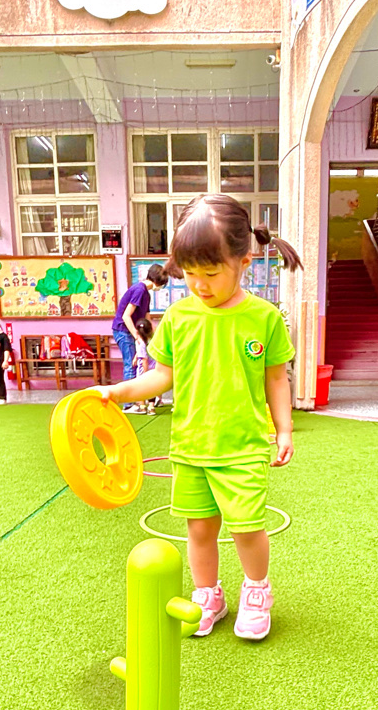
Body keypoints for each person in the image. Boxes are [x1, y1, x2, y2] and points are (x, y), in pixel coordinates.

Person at [97, 194, 302, 642]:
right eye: (190, 274)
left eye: (210, 274)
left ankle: (257, 591)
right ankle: (209, 595)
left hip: (243, 447)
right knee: (200, 528)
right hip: (190, 448)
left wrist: (284, 429)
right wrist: (116, 391)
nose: (199, 285)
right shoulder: (178, 317)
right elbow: (161, 376)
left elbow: (276, 379)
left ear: (244, 262)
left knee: (247, 527)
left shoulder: (264, 318)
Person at [111, 264, 168, 409]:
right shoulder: (139, 290)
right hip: (123, 330)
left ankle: (140, 401)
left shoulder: (146, 294)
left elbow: (147, 318)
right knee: (131, 364)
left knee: (135, 363)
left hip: (132, 331)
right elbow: (126, 316)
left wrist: (155, 336)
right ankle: (129, 404)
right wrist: (137, 336)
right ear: (158, 281)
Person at [129, 318, 156, 416]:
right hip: (154, 369)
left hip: (144, 370)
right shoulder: (151, 341)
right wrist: (136, 357)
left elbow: (144, 360)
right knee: (152, 388)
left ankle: (142, 406)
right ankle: (151, 407)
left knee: (140, 388)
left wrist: (145, 373)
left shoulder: (141, 344)